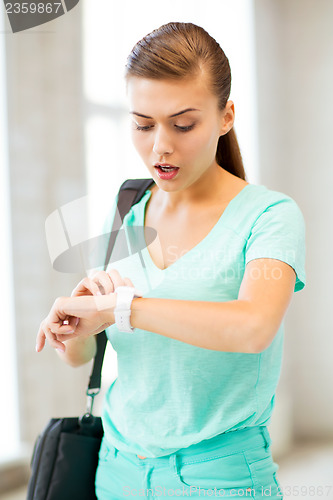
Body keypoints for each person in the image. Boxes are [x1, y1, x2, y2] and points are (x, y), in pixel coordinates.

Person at [36, 22, 306, 499]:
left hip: (218, 479)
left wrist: (124, 307)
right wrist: (73, 331)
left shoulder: (269, 215)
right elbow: (88, 355)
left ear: (226, 117)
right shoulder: (125, 210)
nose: (160, 145)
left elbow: (252, 327)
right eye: (143, 124)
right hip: (116, 471)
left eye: (183, 124)